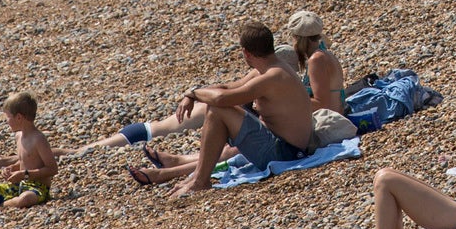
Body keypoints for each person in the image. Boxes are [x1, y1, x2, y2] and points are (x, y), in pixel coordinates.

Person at [130, 22, 319, 196]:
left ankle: (199, 180)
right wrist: (191, 93)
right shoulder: (270, 68)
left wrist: (194, 94)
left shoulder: (273, 76)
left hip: (288, 153)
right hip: (286, 146)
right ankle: (190, 173)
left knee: (218, 109)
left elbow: (221, 98)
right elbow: (227, 87)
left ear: (246, 53)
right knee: (219, 109)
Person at [0, 92, 58, 210]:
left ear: (19, 117)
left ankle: (2, 204)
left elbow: (52, 169)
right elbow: (27, 160)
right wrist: (13, 168)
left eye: (8, 117)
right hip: (19, 184)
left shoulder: (38, 139)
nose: (6, 121)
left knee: (26, 199)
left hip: (38, 187)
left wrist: (25, 174)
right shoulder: (19, 136)